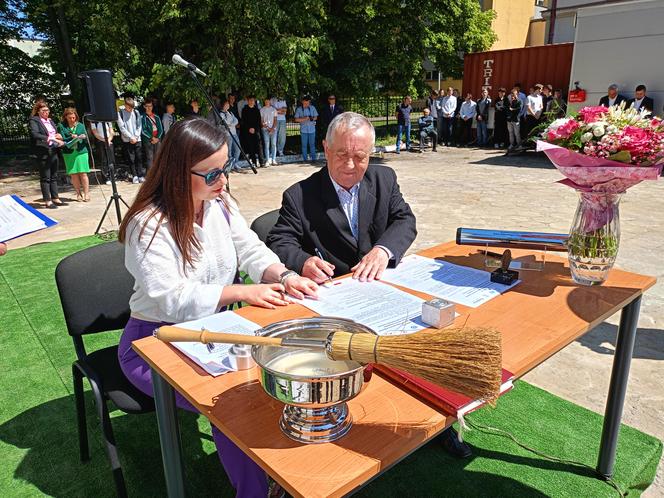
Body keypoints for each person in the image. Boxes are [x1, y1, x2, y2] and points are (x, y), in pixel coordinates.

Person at [117, 118, 317, 498]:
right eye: (211, 174)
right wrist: (241, 291)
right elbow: (169, 298)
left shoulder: (218, 204)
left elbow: (251, 248)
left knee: (281, 376)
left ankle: (282, 471)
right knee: (232, 407)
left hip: (220, 332)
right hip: (155, 344)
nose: (222, 181)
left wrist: (285, 274)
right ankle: (256, 491)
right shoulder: (149, 225)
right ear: (178, 173)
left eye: (225, 169)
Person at [266, 112, 471, 457]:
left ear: (371, 153)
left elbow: (405, 219)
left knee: (425, 337)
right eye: (342, 155)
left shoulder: (384, 178)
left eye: (360, 156)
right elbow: (279, 239)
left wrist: (383, 249)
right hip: (336, 300)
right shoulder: (300, 195)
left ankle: (441, 420)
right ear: (325, 150)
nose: (351, 165)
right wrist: (303, 261)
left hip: (383, 287)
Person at [28, 101, 65, 209]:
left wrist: (58, 136)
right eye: (43, 110)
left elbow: (55, 133)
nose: (46, 112)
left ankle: (55, 197)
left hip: (53, 150)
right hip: (43, 151)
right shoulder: (34, 120)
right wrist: (50, 137)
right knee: (45, 177)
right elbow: (35, 134)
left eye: (47, 110)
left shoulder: (50, 121)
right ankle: (47, 200)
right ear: (38, 111)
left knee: (54, 176)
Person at [57, 108, 91, 202]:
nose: (72, 119)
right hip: (68, 153)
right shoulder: (61, 126)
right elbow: (62, 137)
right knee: (73, 174)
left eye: (73, 117)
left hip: (81, 152)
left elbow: (86, 137)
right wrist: (70, 137)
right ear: (65, 117)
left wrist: (80, 137)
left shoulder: (80, 125)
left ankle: (86, 194)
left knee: (83, 173)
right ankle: (78, 193)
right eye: (70, 118)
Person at [117, 96, 144, 184]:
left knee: (139, 158)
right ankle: (134, 175)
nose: (130, 109)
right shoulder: (120, 113)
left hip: (137, 139)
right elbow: (122, 128)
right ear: (125, 105)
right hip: (127, 140)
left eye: (132, 108)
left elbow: (139, 125)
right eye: (129, 108)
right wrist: (130, 137)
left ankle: (140, 175)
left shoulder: (136, 112)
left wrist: (136, 136)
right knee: (131, 158)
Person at [218, 98, 244, 173]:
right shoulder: (221, 114)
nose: (228, 105)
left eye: (228, 104)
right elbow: (225, 123)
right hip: (228, 135)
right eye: (226, 104)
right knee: (229, 151)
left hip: (234, 133)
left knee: (238, 149)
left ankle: (235, 163)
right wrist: (231, 124)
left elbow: (236, 121)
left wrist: (231, 124)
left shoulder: (230, 112)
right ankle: (230, 166)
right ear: (223, 105)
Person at [240, 95, 263, 168]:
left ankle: (261, 161)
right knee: (251, 146)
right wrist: (249, 128)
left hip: (256, 130)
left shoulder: (257, 110)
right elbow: (244, 121)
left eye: (253, 100)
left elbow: (258, 120)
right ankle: (254, 162)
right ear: (248, 101)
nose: (251, 102)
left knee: (259, 146)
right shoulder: (244, 110)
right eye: (250, 100)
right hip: (248, 131)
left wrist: (254, 129)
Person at [141, 99, 164, 172]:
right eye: (147, 106)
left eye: (150, 106)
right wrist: (152, 138)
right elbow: (143, 130)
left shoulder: (156, 116)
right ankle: (150, 175)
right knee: (150, 158)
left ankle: (157, 173)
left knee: (157, 157)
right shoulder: (143, 117)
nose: (149, 108)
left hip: (157, 139)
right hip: (148, 140)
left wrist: (157, 138)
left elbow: (161, 129)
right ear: (144, 106)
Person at [294, 95, 318, 162]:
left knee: (312, 145)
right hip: (303, 130)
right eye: (305, 103)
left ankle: (314, 159)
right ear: (302, 101)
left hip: (312, 129)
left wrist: (311, 118)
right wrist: (304, 118)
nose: (306, 104)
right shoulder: (299, 109)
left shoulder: (312, 108)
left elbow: (316, 117)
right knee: (304, 145)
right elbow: (296, 119)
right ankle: (305, 159)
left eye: (308, 103)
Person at [260, 98, 278, 166]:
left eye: (268, 101)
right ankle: (267, 160)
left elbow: (275, 120)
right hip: (265, 129)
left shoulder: (274, 110)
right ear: (264, 102)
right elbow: (261, 121)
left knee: (273, 144)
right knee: (266, 144)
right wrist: (267, 128)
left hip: (273, 129)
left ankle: (273, 159)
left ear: (270, 102)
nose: (267, 102)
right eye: (265, 101)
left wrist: (272, 128)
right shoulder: (262, 110)